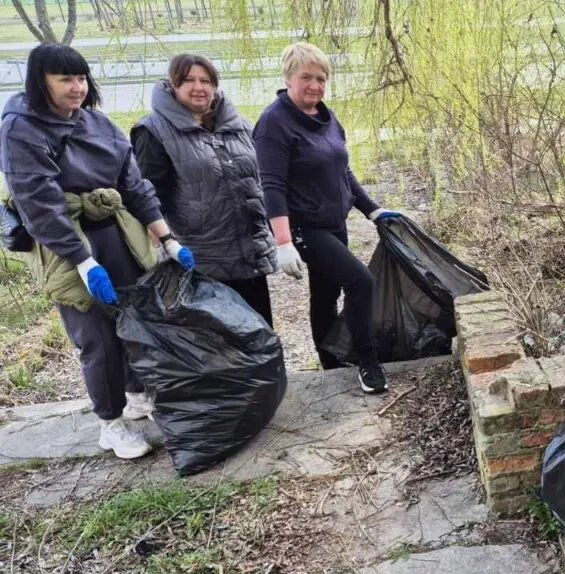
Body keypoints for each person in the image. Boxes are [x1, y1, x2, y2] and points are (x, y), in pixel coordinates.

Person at [0, 43, 195, 459]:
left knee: (136, 319)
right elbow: (39, 204)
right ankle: (110, 422)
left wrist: (169, 238)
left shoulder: (98, 123)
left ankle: (138, 393)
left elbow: (135, 185)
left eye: (81, 78)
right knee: (98, 337)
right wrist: (84, 261)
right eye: (64, 79)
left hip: (117, 234)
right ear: (40, 82)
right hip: (66, 242)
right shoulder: (21, 129)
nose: (76, 87)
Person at [252, 41, 401, 394]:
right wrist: (284, 241)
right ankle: (368, 361)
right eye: (307, 77)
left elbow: (343, 172)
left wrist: (372, 209)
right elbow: (271, 185)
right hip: (305, 227)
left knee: (325, 293)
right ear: (288, 77)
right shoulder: (274, 123)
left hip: (335, 224)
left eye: (321, 79)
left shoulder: (327, 117)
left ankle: (331, 362)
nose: (315, 86)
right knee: (361, 282)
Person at [131, 55, 278, 325]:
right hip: (201, 260)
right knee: (221, 344)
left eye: (205, 80)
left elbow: (260, 181)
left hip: (248, 254)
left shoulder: (238, 125)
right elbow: (149, 197)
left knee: (261, 335)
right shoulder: (153, 131)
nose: (198, 87)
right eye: (188, 80)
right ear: (173, 85)